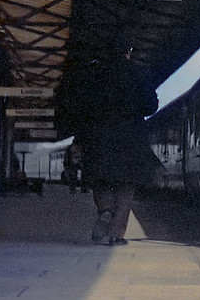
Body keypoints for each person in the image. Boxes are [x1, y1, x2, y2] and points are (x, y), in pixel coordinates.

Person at [56, 39, 160, 245]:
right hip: (130, 138)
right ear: (128, 51)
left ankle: (105, 210)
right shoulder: (139, 73)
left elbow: (79, 107)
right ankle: (116, 235)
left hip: (97, 137)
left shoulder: (92, 74)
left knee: (100, 180)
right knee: (125, 186)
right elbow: (150, 106)